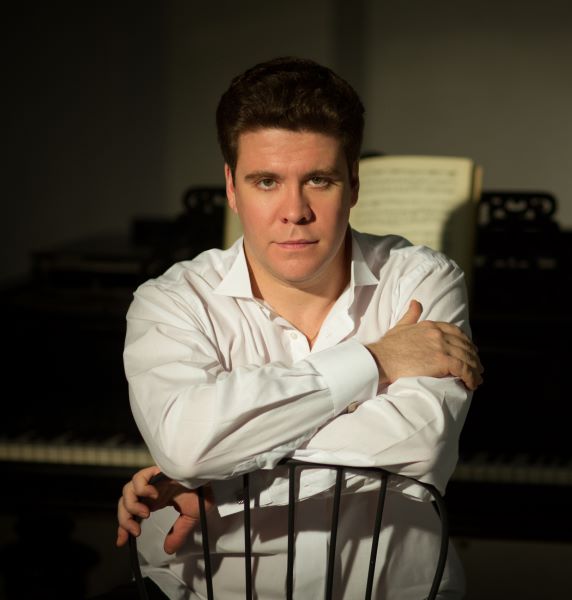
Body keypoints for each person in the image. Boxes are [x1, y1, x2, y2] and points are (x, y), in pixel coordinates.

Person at [109, 56, 482, 600]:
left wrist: (219, 484)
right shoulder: (170, 302)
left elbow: (419, 446)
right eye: (266, 181)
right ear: (232, 187)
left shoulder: (421, 281)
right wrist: (375, 360)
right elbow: (187, 445)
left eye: (319, 180)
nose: (294, 211)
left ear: (354, 184)